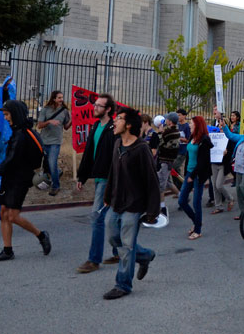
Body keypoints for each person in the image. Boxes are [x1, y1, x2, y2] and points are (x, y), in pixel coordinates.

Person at [101, 107, 160, 300]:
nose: (114, 122)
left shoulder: (141, 149)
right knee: (112, 238)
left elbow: (152, 181)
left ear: (128, 125)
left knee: (126, 247)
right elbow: (113, 172)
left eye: (118, 119)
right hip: (116, 201)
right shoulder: (117, 144)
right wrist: (108, 194)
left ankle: (123, 284)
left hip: (133, 205)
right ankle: (144, 255)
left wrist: (153, 210)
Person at [0, 99, 51, 261]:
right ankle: (7, 250)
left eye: (7, 114)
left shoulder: (21, 135)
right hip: (10, 178)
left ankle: (41, 235)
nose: (5, 118)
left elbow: (11, 159)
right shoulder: (21, 131)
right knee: (4, 213)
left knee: (12, 216)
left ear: (15, 114)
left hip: (20, 180)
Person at [75, 93, 119, 273]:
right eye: (95, 105)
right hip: (99, 177)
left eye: (99, 106)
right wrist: (82, 176)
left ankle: (93, 260)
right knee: (115, 218)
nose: (95, 107)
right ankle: (119, 252)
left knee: (97, 217)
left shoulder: (114, 128)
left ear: (108, 109)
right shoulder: (95, 126)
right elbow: (89, 152)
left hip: (109, 179)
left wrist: (114, 181)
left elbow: (118, 157)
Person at [217, 109, 244, 219]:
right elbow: (230, 136)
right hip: (238, 169)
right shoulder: (242, 138)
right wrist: (224, 126)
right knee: (239, 190)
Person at [178, 116, 213, 240]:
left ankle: (197, 230)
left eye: (191, 123)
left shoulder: (204, 140)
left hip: (198, 175)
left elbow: (202, 162)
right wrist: (187, 172)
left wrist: (192, 176)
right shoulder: (192, 137)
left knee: (196, 202)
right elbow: (189, 156)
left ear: (197, 125)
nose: (189, 125)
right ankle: (196, 221)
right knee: (181, 200)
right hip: (189, 172)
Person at [36, 90, 71, 196]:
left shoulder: (64, 111)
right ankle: (57, 172)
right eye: (59, 98)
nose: (61, 100)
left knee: (52, 163)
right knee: (47, 165)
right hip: (44, 140)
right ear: (54, 98)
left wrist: (73, 120)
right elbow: (39, 125)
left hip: (56, 142)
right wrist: (49, 122)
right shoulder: (45, 110)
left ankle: (56, 186)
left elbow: (66, 127)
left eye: (62, 97)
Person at [158, 113, 182, 206]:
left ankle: (162, 207)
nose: (165, 120)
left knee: (161, 185)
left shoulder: (168, 132)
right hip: (170, 160)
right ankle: (181, 196)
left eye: (167, 119)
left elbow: (160, 143)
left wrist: (160, 132)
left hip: (165, 160)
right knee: (168, 182)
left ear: (170, 122)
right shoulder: (176, 131)